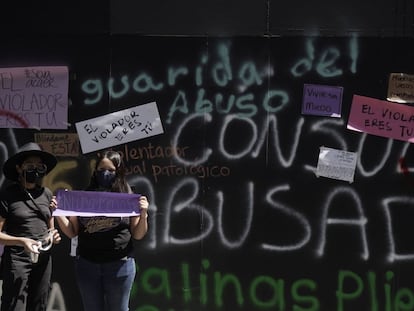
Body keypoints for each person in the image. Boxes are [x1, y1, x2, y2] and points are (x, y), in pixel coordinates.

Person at [54, 150, 149, 311]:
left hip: (120, 264)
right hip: (88, 264)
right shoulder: (83, 197)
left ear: (119, 171)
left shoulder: (129, 197)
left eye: (111, 170)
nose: (105, 174)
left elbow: (138, 234)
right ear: (95, 171)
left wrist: (144, 213)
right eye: (101, 170)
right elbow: (72, 232)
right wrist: (58, 213)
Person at [0, 142, 61, 311]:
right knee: (14, 305)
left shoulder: (47, 194)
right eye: (30, 165)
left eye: (39, 166)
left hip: (42, 258)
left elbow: (51, 229)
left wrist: (53, 237)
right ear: (19, 168)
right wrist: (22, 241)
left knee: (39, 304)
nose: (34, 169)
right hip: (17, 259)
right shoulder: (7, 195)